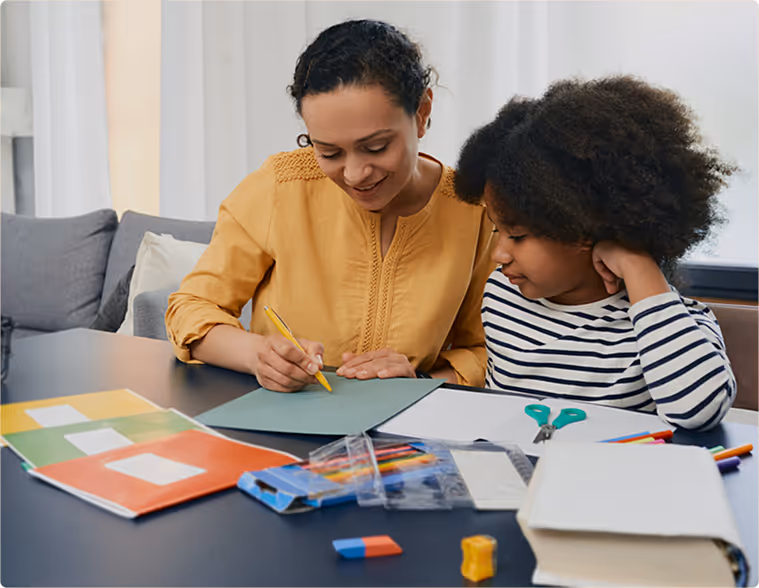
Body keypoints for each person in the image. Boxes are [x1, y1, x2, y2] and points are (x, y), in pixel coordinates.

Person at [166, 19, 494, 392]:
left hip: (406, 433)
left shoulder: (474, 211)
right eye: (328, 152)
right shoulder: (281, 185)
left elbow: (488, 350)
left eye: (376, 147)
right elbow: (190, 309)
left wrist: (418, 381)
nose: (355, 174)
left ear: (421, 112)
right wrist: (258, 354)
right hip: (283, 423)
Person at [454, 75, 738, 430]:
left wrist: (636, 264)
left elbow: (699, 413)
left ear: (587, 226)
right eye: (498, 230)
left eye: (518, 235)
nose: (499, 254)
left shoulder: (669, 323)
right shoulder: (502, 296)